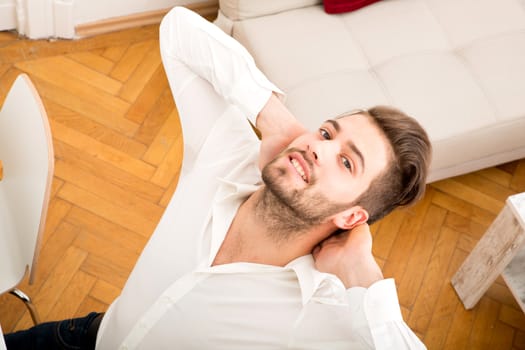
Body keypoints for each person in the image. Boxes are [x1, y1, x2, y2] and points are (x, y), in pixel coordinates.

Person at [5, 6, 431, 349]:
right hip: (89, 337)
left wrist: (363, 277)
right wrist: (273, 117)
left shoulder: (324, 311)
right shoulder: (226, 156)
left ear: (354, 217)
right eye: (326, 132)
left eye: (346, 162)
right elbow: (178, 30)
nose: (318, 147)